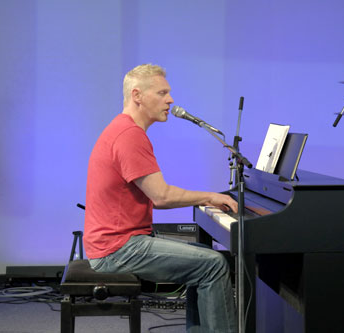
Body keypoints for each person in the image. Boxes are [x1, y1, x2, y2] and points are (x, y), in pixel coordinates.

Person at [83, 64, 238, 332]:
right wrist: (210, 196)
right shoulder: (129, 136)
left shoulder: (124, 129)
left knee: (203, 257)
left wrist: (206, 199)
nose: (171, 100)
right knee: (214, 265)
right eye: (162, 93)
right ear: (137, 95)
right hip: (119, 249)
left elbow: (156, 196)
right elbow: (161, 197)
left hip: (115, 244)